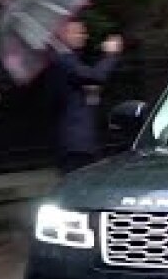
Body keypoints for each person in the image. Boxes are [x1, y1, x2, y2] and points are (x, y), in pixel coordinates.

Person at [48, 19, 124, 173]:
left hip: (81, 141)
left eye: (83, 32)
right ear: (63, 34)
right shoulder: (63, 60)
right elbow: (95, 77)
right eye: (78, 32)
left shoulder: (69, 59)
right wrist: (111, 55)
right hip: (76, 144)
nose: (84, 36)